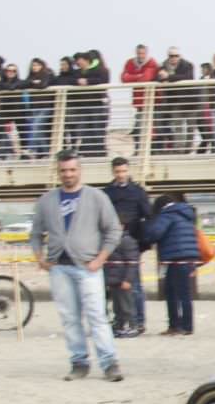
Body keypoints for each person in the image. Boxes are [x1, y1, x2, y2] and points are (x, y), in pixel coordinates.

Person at [32, 150, 124, 381]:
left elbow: (113, 230)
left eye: (72, 170)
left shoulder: (96, 197)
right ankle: (79, 362)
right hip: (59, 268)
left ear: (80, 170)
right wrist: (40, 258)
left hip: (88, 266)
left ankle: (109, 362)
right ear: (58, 172)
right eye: (63, 170)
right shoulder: (46, 201)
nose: (68, 174)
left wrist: (100, 259)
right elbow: (35, 233)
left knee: (97, 316)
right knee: (70, 317)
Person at [104, 157, 152, 337]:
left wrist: (144, 241)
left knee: (135, 285)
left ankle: (138, 322)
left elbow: (148, 215)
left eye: (124, 171)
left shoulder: (138, 192)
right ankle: (118, 321)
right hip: (111, 245)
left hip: (132, 243)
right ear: (113, 172)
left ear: (128, 171)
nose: (121, 175)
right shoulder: (107, 193)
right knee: (113, 286)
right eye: (118, 172)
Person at [144, 192, 200, 336]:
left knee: (174, 293)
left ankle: (181, 326)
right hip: (188, 257)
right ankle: (181, 325)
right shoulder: (185, 215)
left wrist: (147, 227)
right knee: (182, 293)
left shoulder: (167, 215)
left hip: (175, 258)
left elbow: (155, 233)